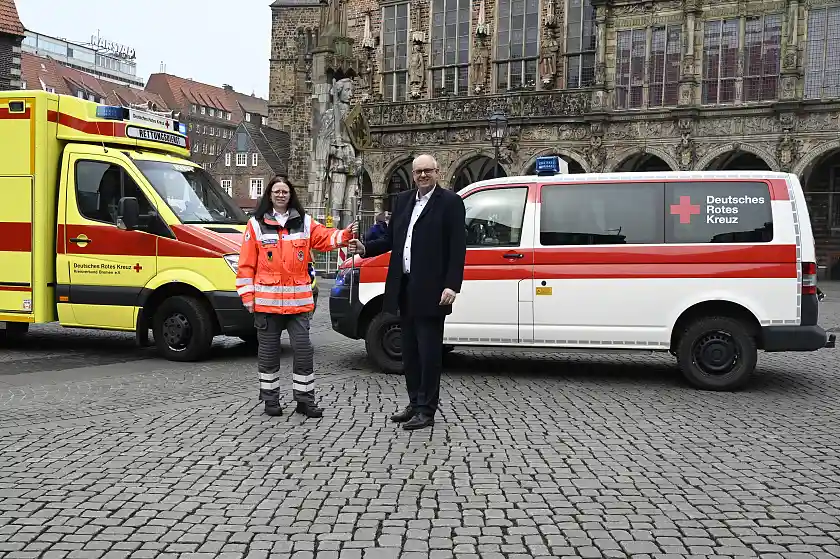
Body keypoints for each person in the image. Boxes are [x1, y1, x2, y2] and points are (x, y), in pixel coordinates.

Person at [348, 154, 466, 430]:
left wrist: (452, 285)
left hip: (433, 289)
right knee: (410, 353)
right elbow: (391, 239)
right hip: (404, 287)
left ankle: (427, 409)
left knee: (428, 353)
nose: (423, 176)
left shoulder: (450, 203)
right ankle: (414, 402)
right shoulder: (403, 201)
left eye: (427, 171)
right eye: (418, 172)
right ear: (413, 175)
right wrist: (365, 248)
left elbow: (457, 247)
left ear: (437, 171)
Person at [237, 175, 357, 418]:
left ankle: (305, 400)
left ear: (290, 195)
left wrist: (345, 235)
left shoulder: (304, 222)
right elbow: (246, 264)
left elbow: (324, 238)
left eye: (285, 191)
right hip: (267, 305)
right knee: (268, 355)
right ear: (269, 194)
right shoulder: (256, 225)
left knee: (303, 352)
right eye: (277, 191)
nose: (281, 195)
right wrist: (248, 298)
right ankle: (270, 400)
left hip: (299, 305)